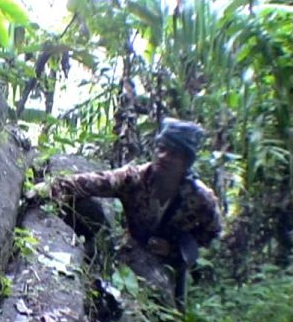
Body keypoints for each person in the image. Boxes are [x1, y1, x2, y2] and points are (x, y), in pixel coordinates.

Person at [39, 118, 222, 311]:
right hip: (131, 251)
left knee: (170, 314)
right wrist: (47, 189)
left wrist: (174, 249)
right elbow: (92, 182)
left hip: (170, 266)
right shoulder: (135, 178)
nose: (163, 156)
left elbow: (213, 233)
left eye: (173, 153)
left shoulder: (202, 199)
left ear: (186, 162)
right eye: (161, 148)